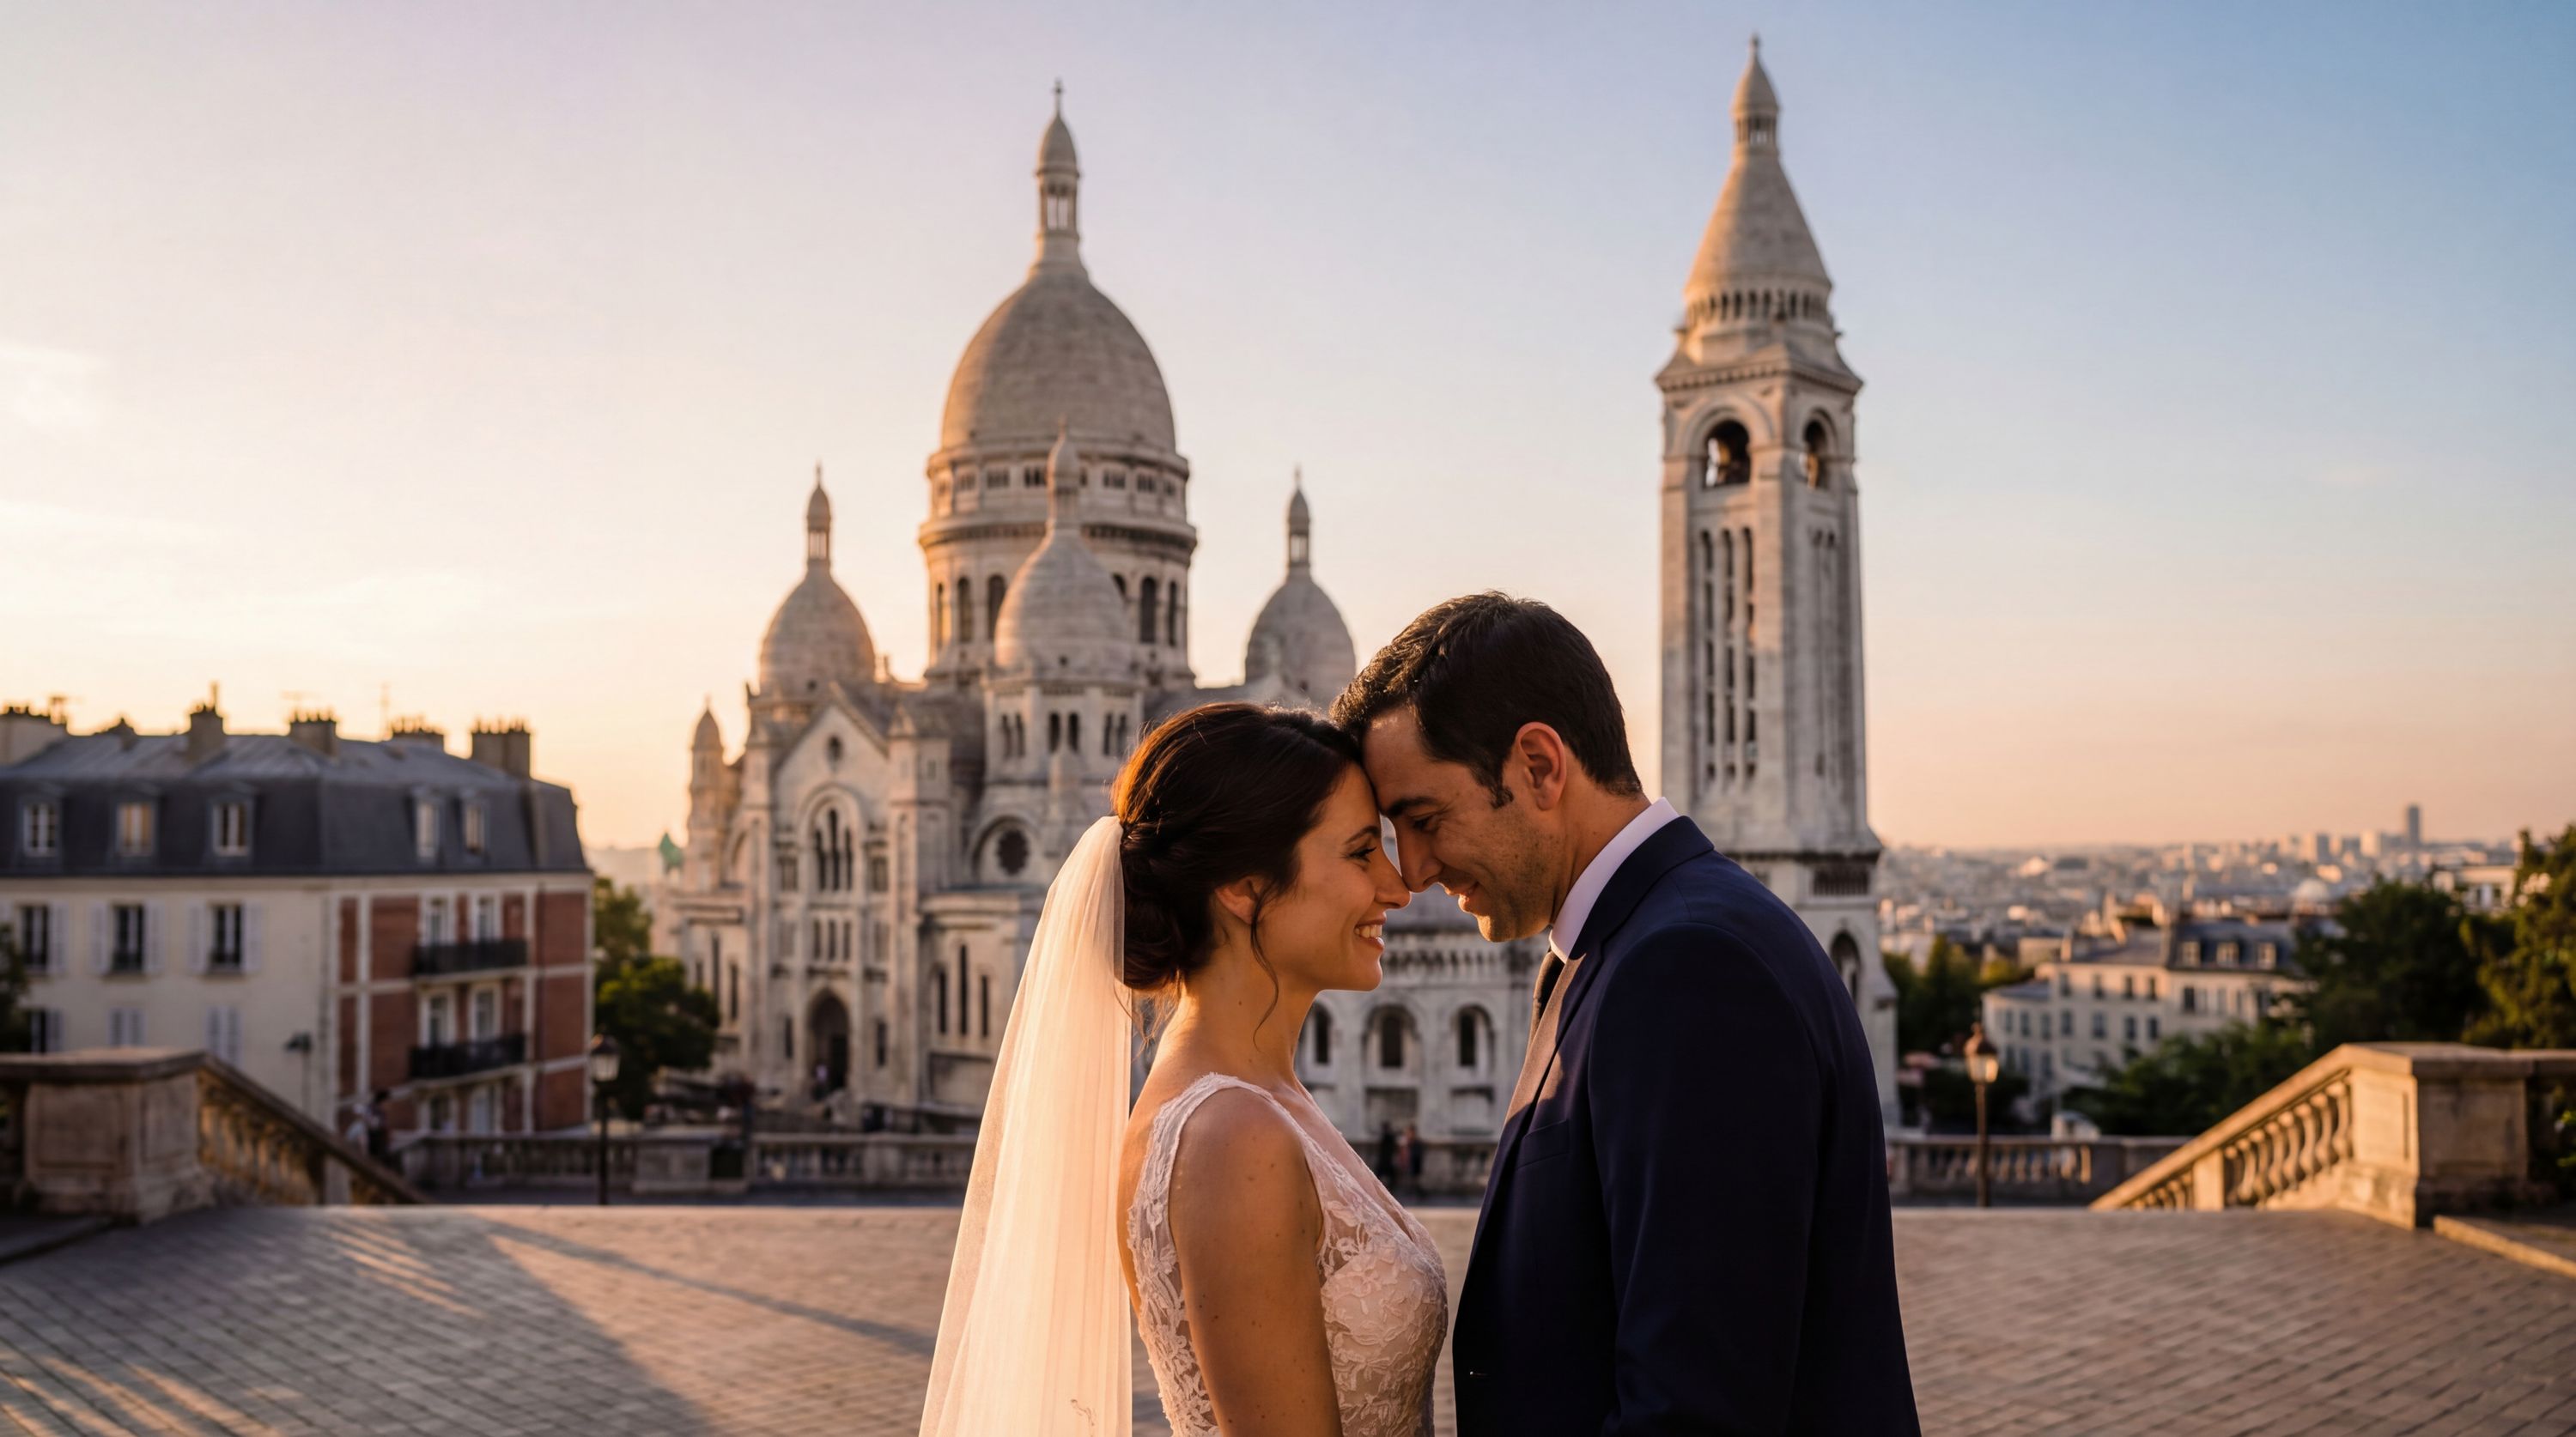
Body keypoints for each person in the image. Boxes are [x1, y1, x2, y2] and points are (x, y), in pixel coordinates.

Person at [1335, 592, 1920, 1436]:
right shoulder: (1623, 946)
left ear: (1539, 766)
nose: (1415, 869)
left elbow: (1695, 1407)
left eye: (1425, 820)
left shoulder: (1688, 970)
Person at [920, 703, 1443, 1437]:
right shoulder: (1233, 1135)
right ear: (1244, 886)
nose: (1398, 887)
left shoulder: (1261, 1099)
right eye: (1361, 852)